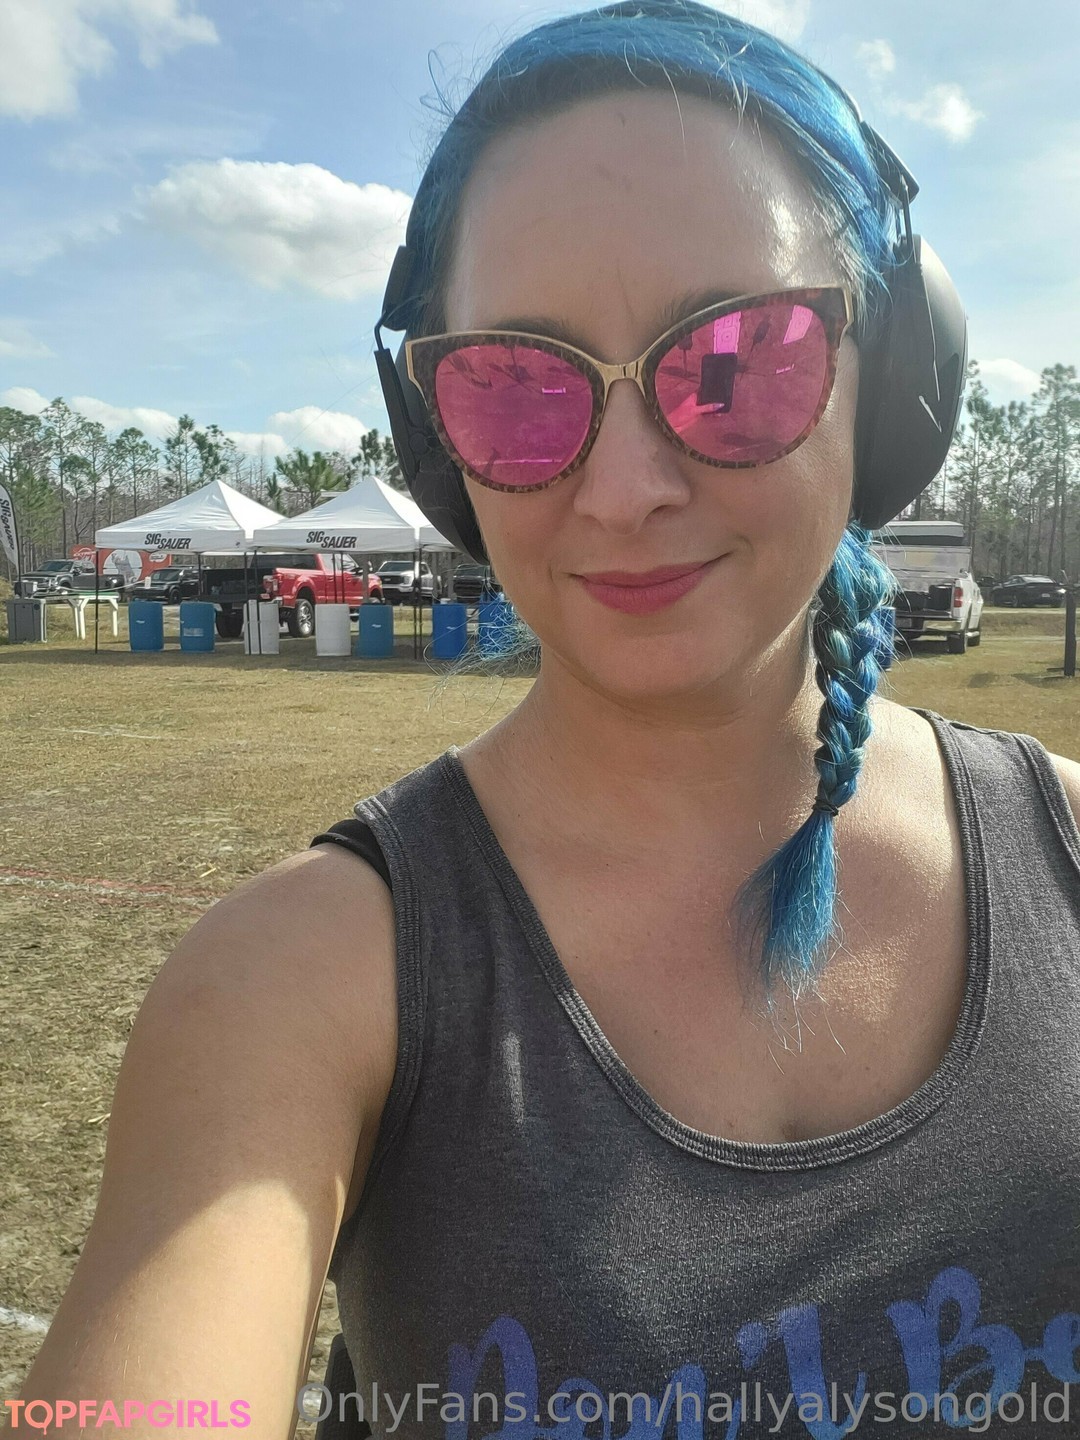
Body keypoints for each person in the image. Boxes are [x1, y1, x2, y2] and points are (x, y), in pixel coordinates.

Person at [16, 3, 1080, 1438]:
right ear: (435, 444)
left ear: (889, 380)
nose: (626, 489)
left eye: (738, 358)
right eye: (515, 388)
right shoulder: (295, 981)